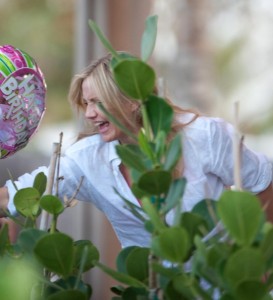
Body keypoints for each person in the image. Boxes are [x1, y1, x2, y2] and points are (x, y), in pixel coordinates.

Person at [0, 52, 273, 248]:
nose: (91, 114)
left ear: (132, 100)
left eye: (98, 102)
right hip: (151, 288)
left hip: (221, 283)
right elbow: (24, 194)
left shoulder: (206, 136)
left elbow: (263, 183)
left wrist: (256, 256)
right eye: (86, 104)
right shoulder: (86, 159)